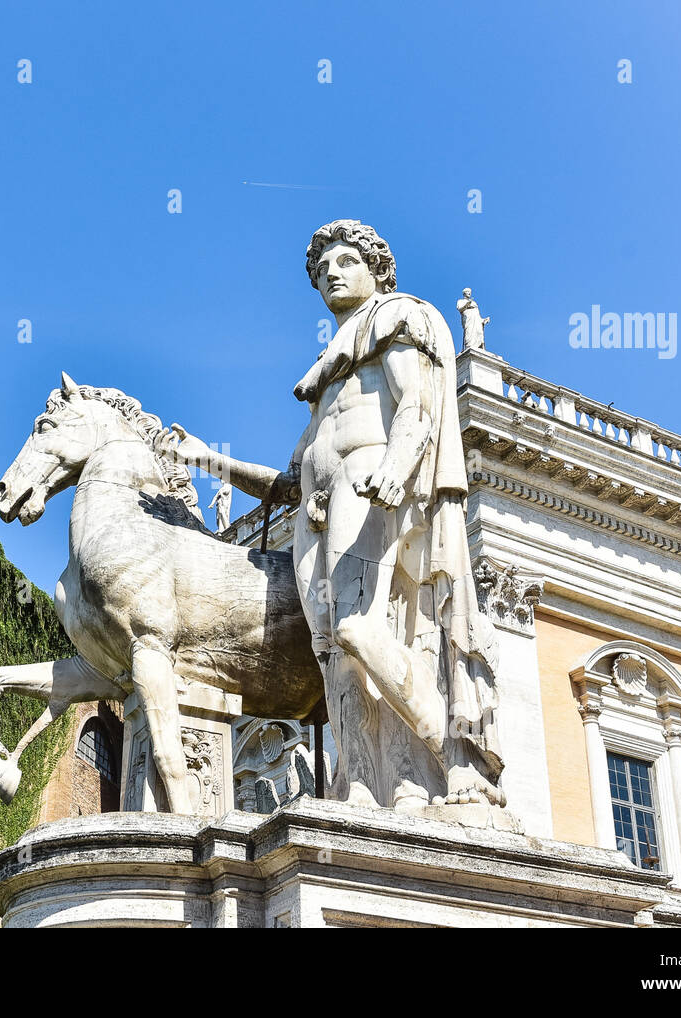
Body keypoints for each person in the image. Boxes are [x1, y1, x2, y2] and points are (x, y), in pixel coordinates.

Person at [159, 220, 504, 808]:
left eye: (343, 263)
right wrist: (208, 460)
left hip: (367, 481)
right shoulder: (326, 381)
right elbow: (287, 484)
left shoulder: (395, 319)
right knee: (335, 658)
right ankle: (365, 784)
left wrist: (396, 467)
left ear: (376, 269)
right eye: (321, 271)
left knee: (356, 628)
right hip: (316, 506)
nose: (330, 276)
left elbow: (416, 406)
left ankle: (451, 753)